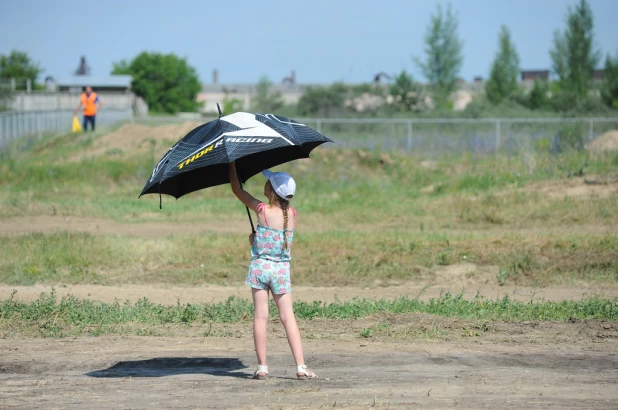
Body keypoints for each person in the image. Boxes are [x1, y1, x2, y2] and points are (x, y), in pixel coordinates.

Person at [229, 162, 318, 380]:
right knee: (288, 317)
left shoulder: (262, 210)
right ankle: (300, 366)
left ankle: (262, 367)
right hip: (280, 272)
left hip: (260, 269)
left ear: (271, 190)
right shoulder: (293, 215)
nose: (265, 184)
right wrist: (256, 239)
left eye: (267, 182)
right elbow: (278, 239)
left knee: (261, 317)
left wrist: (231, 166)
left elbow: (237, 190)